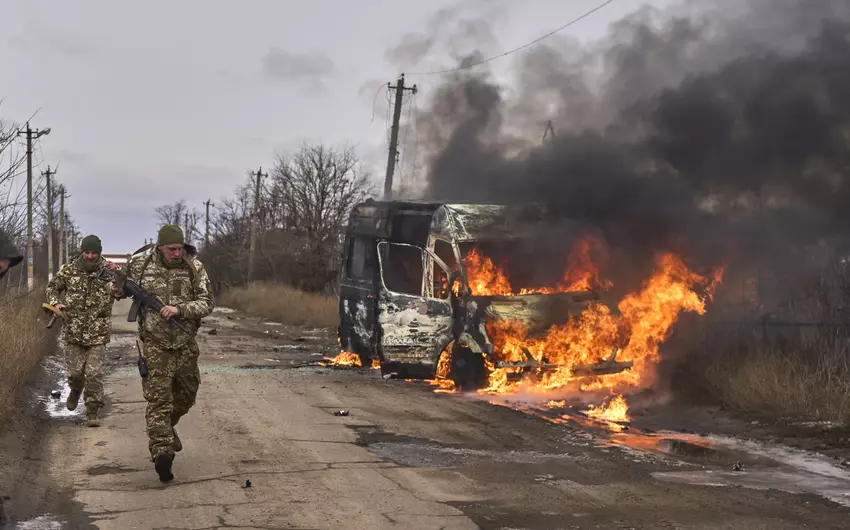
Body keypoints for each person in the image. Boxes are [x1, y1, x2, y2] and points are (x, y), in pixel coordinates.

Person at [115, 224, 214, 483]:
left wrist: (180, 309)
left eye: (179, 248)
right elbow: (117, 290)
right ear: (160, 247)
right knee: (159, 401)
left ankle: (166, 430)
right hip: (155, 345)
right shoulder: (140, 265)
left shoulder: (194, 267)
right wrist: (117, 286)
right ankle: (162, 453)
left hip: (185, 343)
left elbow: (207, 303)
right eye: (171, 249)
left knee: (187, 396)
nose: (176, 253)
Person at [45, 234, 119, 427]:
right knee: (75, 373)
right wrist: (56, 303)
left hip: (98, 332)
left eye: (94, 252)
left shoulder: (109, 272)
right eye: (87, 252)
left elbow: (124, 290)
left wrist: (120, 275)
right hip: (73, 330)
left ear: (99, 253)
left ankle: (92, 411)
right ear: (82, 252)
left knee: (94, 374)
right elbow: (52, 288)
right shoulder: (69, 270)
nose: (90, 256)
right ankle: (76, 389)